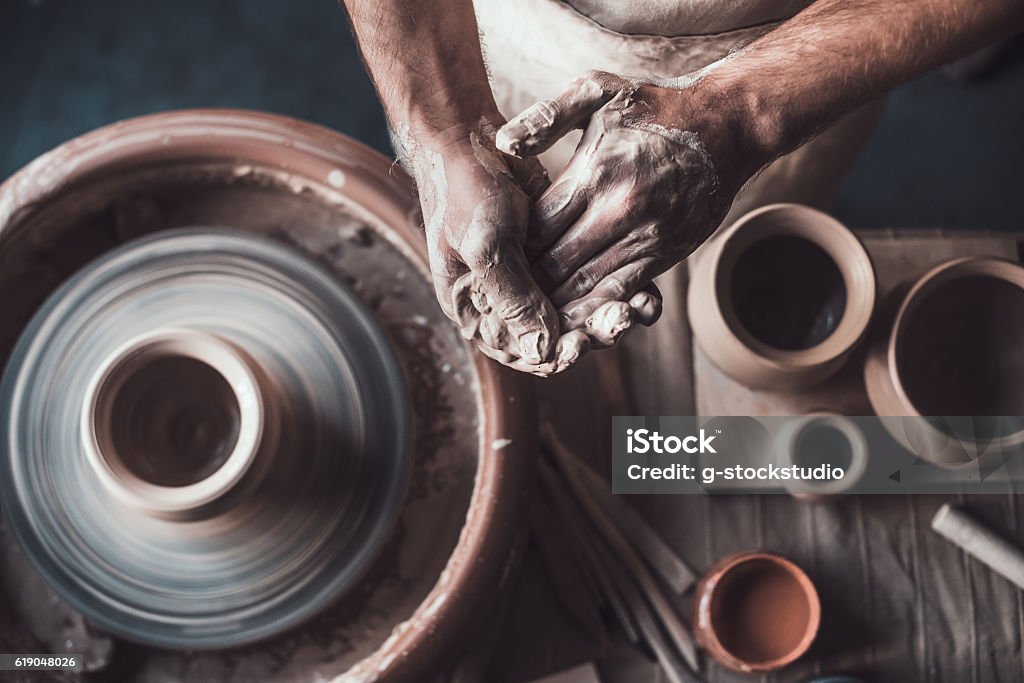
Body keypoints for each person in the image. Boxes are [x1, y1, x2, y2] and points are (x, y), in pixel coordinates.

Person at [340, 0, 1024, 378]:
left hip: (790, 41)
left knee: (755, 233)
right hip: (516, 22)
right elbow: (447, 130)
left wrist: (739, 117)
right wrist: (447, 133)